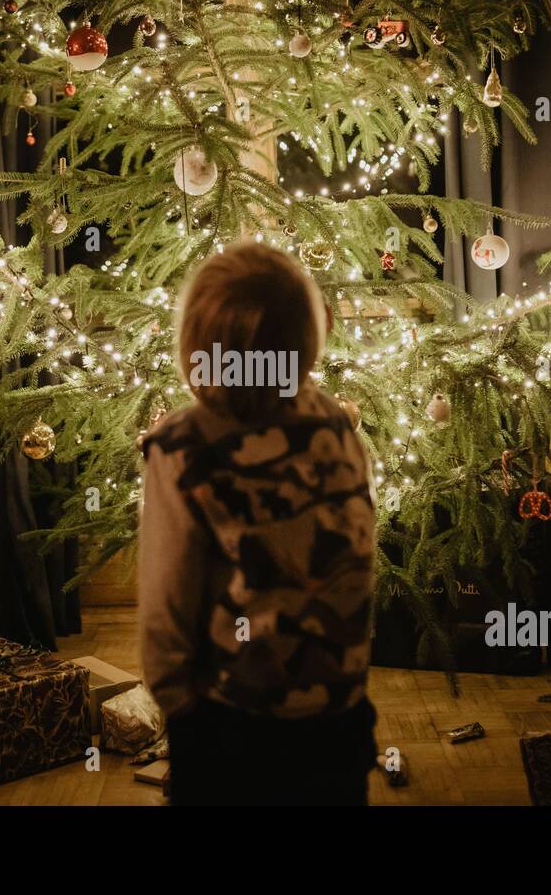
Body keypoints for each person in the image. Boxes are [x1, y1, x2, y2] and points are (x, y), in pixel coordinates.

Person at [137, 241, 379, 805]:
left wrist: (182, 712)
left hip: (234, 735)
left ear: (197, 345)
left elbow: (165, 612)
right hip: (339, 719)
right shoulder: (337, 426)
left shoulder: (183, 448)